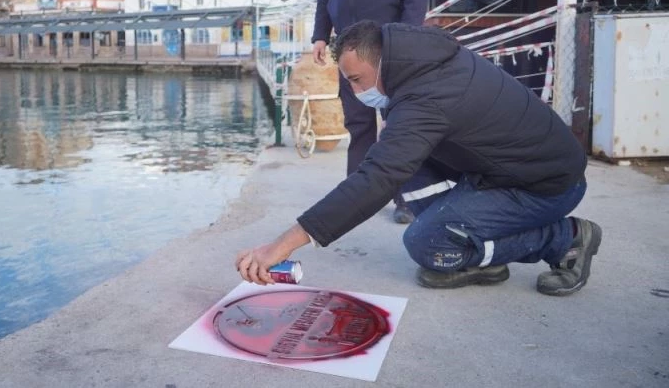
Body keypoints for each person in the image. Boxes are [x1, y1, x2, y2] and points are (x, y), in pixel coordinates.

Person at [236, 20, 602, 296]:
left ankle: (564, 237)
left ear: (381, 63)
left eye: (358, 79)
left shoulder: (425, 99)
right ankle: (477, 251)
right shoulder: (426, 63)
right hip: (507, 168)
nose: (356, 91)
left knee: (426, 244)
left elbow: (375, 180)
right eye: (348, 82)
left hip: (546, 186)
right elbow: (389, 164)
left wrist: (279, 246)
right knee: (403, 168)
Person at [312, 0, 434, 224]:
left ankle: (408, 197)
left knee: (398, 122)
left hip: (388, 41)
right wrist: (320, 34)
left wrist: (407, 32)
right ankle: (358, 195)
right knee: (358, 122)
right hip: (348, 45)